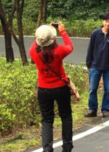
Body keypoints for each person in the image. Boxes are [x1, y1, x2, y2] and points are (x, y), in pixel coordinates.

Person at [29, 22, 74, 152]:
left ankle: (47, 149)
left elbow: (37, 41)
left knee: (47, 120)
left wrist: (45, 31)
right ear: (53, 39)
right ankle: (67, 146)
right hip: (61, 88)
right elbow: (70, 46)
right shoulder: (59, 51)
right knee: (65, 116)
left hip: (43, 89)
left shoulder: (33, 52)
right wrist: (62, 31)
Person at [85, 12, 109, 118]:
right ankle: (92, 109)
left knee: (108, 89)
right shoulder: (95, 33)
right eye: (106, 21)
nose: (108, 24)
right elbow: (90, 49)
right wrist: (88, 64)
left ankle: (105, 109)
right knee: (93, 89)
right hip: (95, 65)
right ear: (102, 21)